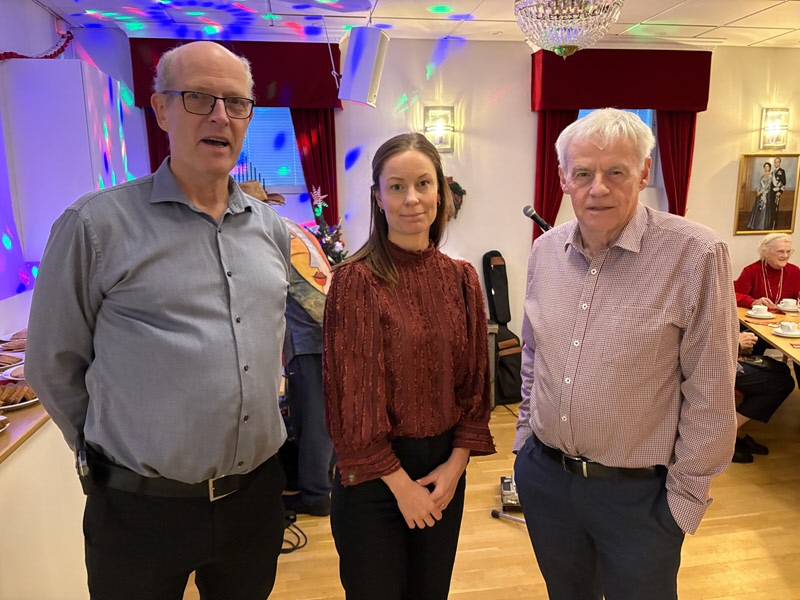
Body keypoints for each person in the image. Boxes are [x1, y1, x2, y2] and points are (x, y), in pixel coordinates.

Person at [26, 41, 290, 600]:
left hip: (254, 501)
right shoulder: (94, 226)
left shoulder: (271, 229)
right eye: (198, 97)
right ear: (161, 109)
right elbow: (53, 365)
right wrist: (117, 449)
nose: (220, 116)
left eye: (236, 103)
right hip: (138, 511)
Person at [513, 108, 738, 599]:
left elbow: (712, 391)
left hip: (640, 500)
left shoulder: (695, 254)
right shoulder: (545, 252)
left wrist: (682, 501)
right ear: (563, 178)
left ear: (643, 172)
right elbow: (533, 356)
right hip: (547, 482)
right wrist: (524, 443)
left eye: (615, 171)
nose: (598, 188)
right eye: (583, 173)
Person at [323, 132, 496, 599]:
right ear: (378, 198)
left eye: (423, 184)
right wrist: (403, 488)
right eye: (396, 187)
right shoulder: (355, 281)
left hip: (442, 473)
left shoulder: (462, 279)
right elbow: (352, 402)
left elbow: (474, 388)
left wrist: (455, 467)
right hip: (374, 480)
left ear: (441, 192)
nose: (411, 199)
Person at [281, 217, 335, 517]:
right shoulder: (293, 229)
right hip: (320, 339)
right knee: (316, 416)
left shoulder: (272, 230)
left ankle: (316, 494)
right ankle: (317, 482)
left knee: (315, 420)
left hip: (308, 340)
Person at [733, 332, 794, 463]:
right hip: (714, 369)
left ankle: (734, 434)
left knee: (782, 369)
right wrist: (737, 345)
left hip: (725, 359)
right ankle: (723, 435)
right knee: (782, 382)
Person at [734, 233, 800, 311]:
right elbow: (733, 295)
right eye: (780, 251)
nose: (785, 256)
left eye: (788, 251)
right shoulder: (751, 271)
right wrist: (754, 302)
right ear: (766, 253)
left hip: (787, 318)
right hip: (757, 317)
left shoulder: (794, 271)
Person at [747, 162, 776, 230]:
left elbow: (767, 187)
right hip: (760, 194)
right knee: (757, 209)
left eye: (767, 166)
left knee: (763, 209)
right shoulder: (762, 176)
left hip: (765, 195)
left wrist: (761, 192)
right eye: (765, 166)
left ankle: (761, 226)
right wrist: (758, 190)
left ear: (769, 168)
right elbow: (759, 185)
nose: (766, 168)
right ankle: (755, 225)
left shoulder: (770, 176)